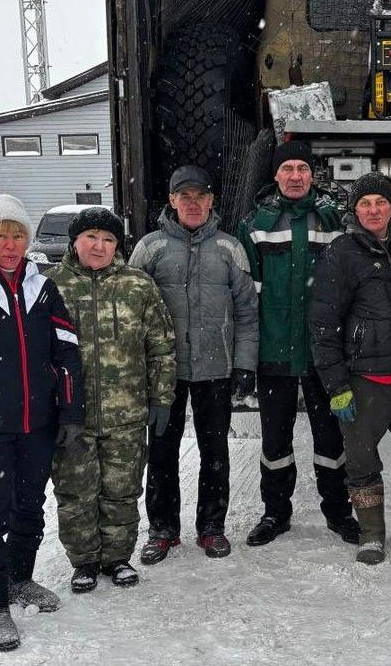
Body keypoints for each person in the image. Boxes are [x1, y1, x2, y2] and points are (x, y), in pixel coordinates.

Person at [0, 195, 84, 652]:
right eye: (0, 234)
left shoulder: (42, 287)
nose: (10, 244)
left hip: (39, 422)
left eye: (17, 235)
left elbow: (66, 350)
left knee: (29, 506)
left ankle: (18, 578)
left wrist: (70, 409)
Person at [130, 164, 259, 562]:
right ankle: (163, 530)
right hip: (165, 373)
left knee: (214, 451)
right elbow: (130, 310)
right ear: (171, 201)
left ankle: (211, 527)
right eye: (183, 196)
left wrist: (244, 365)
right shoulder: (150, 248)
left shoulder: (229, 248)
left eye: (199, 195)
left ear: (211, 201)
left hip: (215, 370)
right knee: (163, 452)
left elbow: (247, 313)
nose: (192, 203)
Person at [48, 208, 176, 592]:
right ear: (75, 241)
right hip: (71, 415)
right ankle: (84, 561)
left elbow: (162, 347)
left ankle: (118, 558)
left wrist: (162, 398)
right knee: (76, 493)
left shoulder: (138, 285)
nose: (99, 246)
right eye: (91, 237)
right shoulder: (51, 286)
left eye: (108, 240)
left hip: (127, 413)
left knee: (122, 489)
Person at [239, 141, 359, 547]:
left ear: (313, 175)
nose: (294, 176)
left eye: (301, 169)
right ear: (275, 175)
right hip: (274, 354)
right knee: (275, 442)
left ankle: (339, 512)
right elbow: (247, 298)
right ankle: (275, 513)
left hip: (322, 356)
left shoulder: (334, 222)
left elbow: (349, 292)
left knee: (331, 440)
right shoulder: (255, 225)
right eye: (287, 168)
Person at [310, 172, 391, 564]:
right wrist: (336, 384)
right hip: (363, 382)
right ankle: (371, 533)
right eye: (365, 204)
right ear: (355, 210)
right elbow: (323, 322)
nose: (373, 210)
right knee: (361, 463)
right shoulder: (341, 253)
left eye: (381, 202)